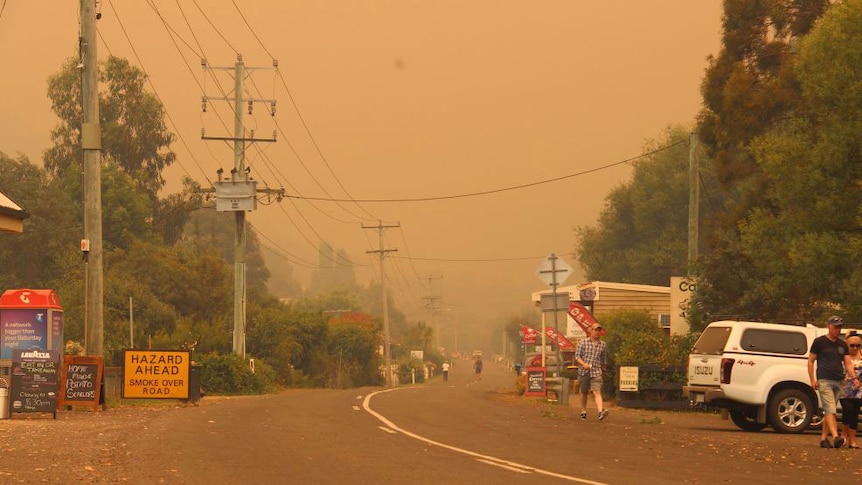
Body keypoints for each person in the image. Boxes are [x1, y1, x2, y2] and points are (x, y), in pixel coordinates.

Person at [808, 315, 860, 448]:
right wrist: (812, 379)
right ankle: (836, 436)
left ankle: (824, 438)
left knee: (828, 410)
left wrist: (854, 378)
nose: (838, 329)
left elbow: (848, 363)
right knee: (831, 408)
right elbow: (811, 360)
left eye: (840, 327)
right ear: (829, 326)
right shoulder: (819, 342)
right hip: (824, 378)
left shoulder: (842, 344)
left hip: (838, 380)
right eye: (835, 327)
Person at [575, 323, 608, 420]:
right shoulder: (583, 342)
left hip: (596, 371)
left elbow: (603, 359)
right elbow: (577, 356)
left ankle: (600, 411)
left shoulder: (603, 345)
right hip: (584, 371)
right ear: (591, 331)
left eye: (599, 330)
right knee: (584, 392)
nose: (597, 332)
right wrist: (583, 364)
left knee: (597, 391)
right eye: (595, 330)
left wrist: (603, 370)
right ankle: (583, 411)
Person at [839, 334, 862, 449]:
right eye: (852, 345)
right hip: (845, 389)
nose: (855, 348)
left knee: (855, 413)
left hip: (859, 390)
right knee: (847, 410)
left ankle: (852, 440)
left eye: (858, 345)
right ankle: (844, 434)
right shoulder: (842, 356)